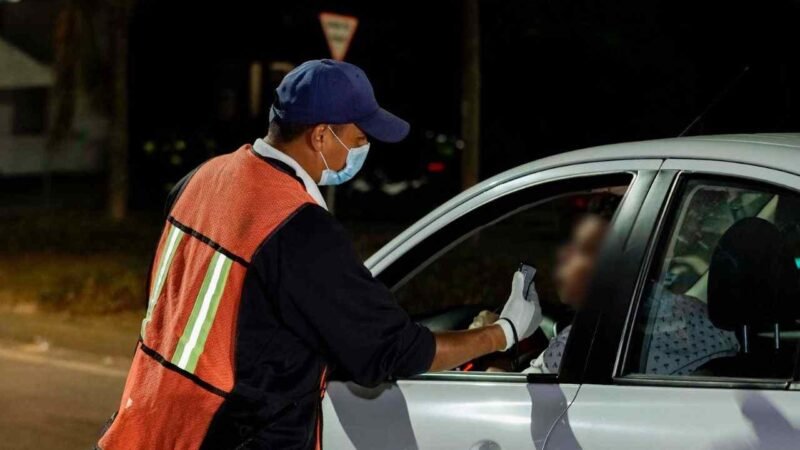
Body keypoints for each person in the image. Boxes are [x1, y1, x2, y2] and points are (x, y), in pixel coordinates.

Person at [97, 59, 538, 450]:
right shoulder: (297, 227)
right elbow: (390, 351)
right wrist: (504, 332)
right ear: (322, 135)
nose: (364, 150)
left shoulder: (203, 178)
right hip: (225, 436)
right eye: (360, 138)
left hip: (144, 423)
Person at [470, 194, 620, 373]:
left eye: (584, 249)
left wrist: (490, 339)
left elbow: (522, 391)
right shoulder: (627, 327)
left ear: (614, 265)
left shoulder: (580, 342)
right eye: (570, 244)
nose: (564, 255)